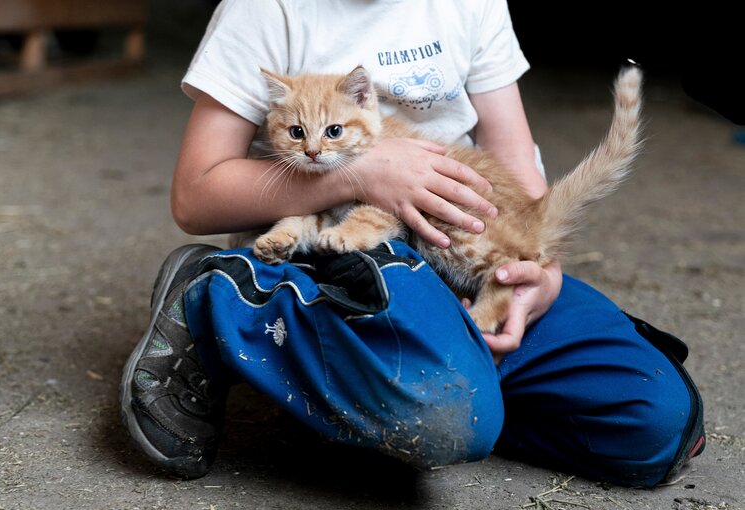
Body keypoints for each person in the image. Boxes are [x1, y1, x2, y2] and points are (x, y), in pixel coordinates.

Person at [120, 0, 705, 485]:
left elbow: (522, 185)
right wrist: (360, 173)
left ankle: (398, 389)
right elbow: (194, 196)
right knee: (445, 418)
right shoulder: (265, 10)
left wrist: (537, 275)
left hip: (464, 249)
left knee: (655, 426)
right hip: (341, 251)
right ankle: (222, 298)